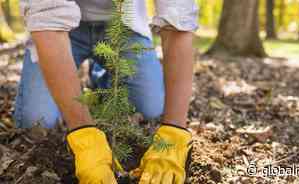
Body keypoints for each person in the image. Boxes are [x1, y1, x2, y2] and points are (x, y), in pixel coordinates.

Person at [15, 0, 198, 183]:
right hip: (58, 29)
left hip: (124, 23)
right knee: (36, 120)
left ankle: (100, 77)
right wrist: (84, 135)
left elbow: (179, 21)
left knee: (150, 108)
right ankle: (87, 83)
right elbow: (47, 19)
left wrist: (174, 131)